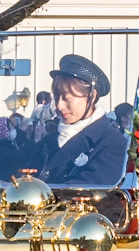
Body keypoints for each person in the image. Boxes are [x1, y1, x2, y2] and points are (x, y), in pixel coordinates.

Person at [29, 54, 127, 186]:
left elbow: (91, 190)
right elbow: (21, 175)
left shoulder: (112, 143)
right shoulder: (49, 141)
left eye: (67, 98)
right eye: (57, 98)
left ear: (91, 96)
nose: (59, 105)